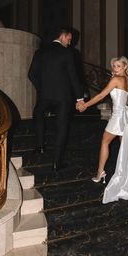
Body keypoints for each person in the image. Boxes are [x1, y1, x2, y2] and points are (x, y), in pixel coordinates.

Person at [76, 56, 128, 203]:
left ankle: (100, 173)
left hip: (118, 117)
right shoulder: (126, 81)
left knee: (105, 142)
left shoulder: (116, 79)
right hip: (123, 116)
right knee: (124, 148)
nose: (115, 68)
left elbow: (101, 95)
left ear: (125, 66)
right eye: (114, 66)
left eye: (118, 66)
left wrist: (85, 105)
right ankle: (124, 176)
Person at [28, 27, 84, 171]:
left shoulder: (40, 52)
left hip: (45, 96)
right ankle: (56, 162)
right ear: (62, 36)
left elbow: (31, 75)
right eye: (69, 39)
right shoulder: (67, 53)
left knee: (38, 113)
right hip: (63, 97)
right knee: (61, 127)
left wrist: (42, 88)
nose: (70, 43)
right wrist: (79, 98)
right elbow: (73, 77)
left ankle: (39, 146)